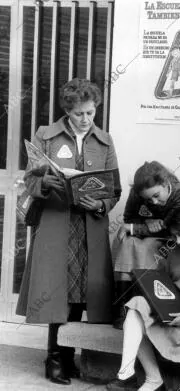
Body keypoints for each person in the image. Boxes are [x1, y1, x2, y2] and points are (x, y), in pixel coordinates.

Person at [16, 78, 121, 385]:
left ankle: (68, 355)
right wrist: (43, 184)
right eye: (79, 114)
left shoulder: (105, 141)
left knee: (79, 292)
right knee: (54, 290)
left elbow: (114, 188)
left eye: (91, 113)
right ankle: (53, 358)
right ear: (67, 111)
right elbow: (29, 180)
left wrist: (101, 205)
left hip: (88, 224)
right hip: (56, 223)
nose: (86, 120)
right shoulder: (45, 136)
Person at [107, 204, 180, 391]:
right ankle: (127, 374)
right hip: (166, 314)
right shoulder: (173, 253)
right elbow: (162, 285)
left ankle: (153, 381)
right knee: (137, 306)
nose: (177, 240)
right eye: (173, 236)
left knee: (138, 322)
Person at [112, 161, 180, 329]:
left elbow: (171, 228)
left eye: (157, 195)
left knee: (143, 244)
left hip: (170, 240)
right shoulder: (137, 192)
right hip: (147, 234)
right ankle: (123, 308)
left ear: (165, 184)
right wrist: (146, 221)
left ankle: (146, 308)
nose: (154, 202)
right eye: (148, 199)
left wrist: (136, 227)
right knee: (127, 243)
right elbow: (129, 218)